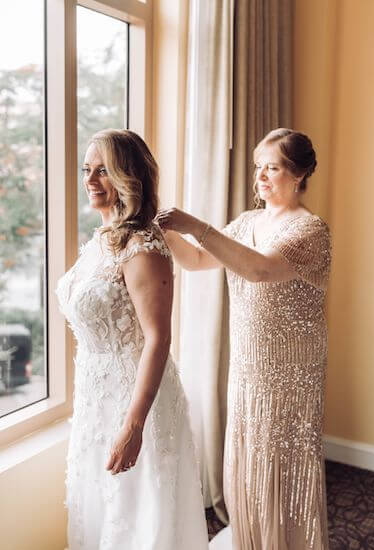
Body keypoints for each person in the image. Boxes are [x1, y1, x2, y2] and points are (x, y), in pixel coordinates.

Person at [157, 128, 331, 550]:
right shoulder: (249, 221)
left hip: (291, 376)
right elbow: (198, 260)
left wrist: (198, 225)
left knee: (283, 464)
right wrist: (163, 228)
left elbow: (259, 269)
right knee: (248, 461)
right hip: (248, 368)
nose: (261, 177)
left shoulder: (311, 230)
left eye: (272, 167)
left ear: (299, 173)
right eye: (259, 168)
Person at [56, 129, 208, 550]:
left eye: (103, 170)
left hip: (136, 401)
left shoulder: (143, 246)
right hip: (94, 397)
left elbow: (159, 339)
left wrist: (134, 426)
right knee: (101, 508)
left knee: (137, 514)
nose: (90, 180)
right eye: (87, 170)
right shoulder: (100, 242)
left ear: (130, 176)